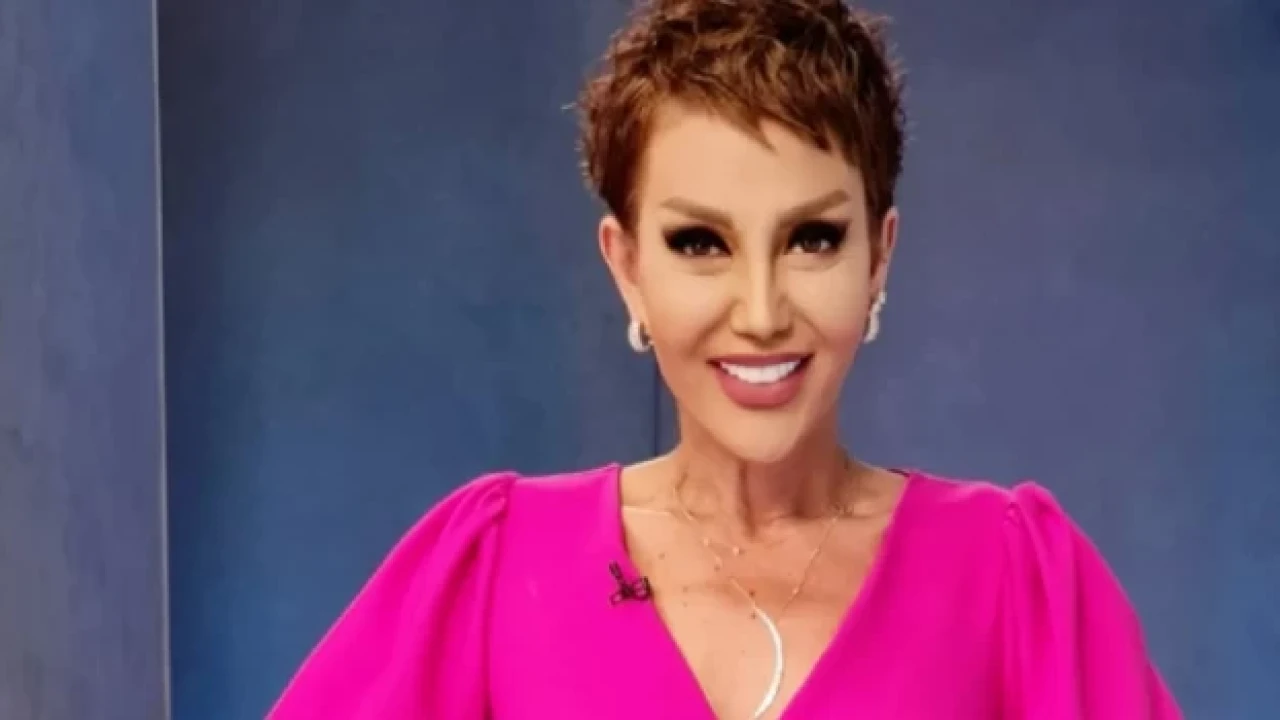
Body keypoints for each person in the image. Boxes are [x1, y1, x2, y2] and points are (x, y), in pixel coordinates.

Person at [268, 0, 1182, 717]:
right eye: (701, 243)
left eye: (813, 239)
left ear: (879, 257)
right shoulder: (494, 570)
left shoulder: (1018, 583)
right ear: (627, 267)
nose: (761, 312)